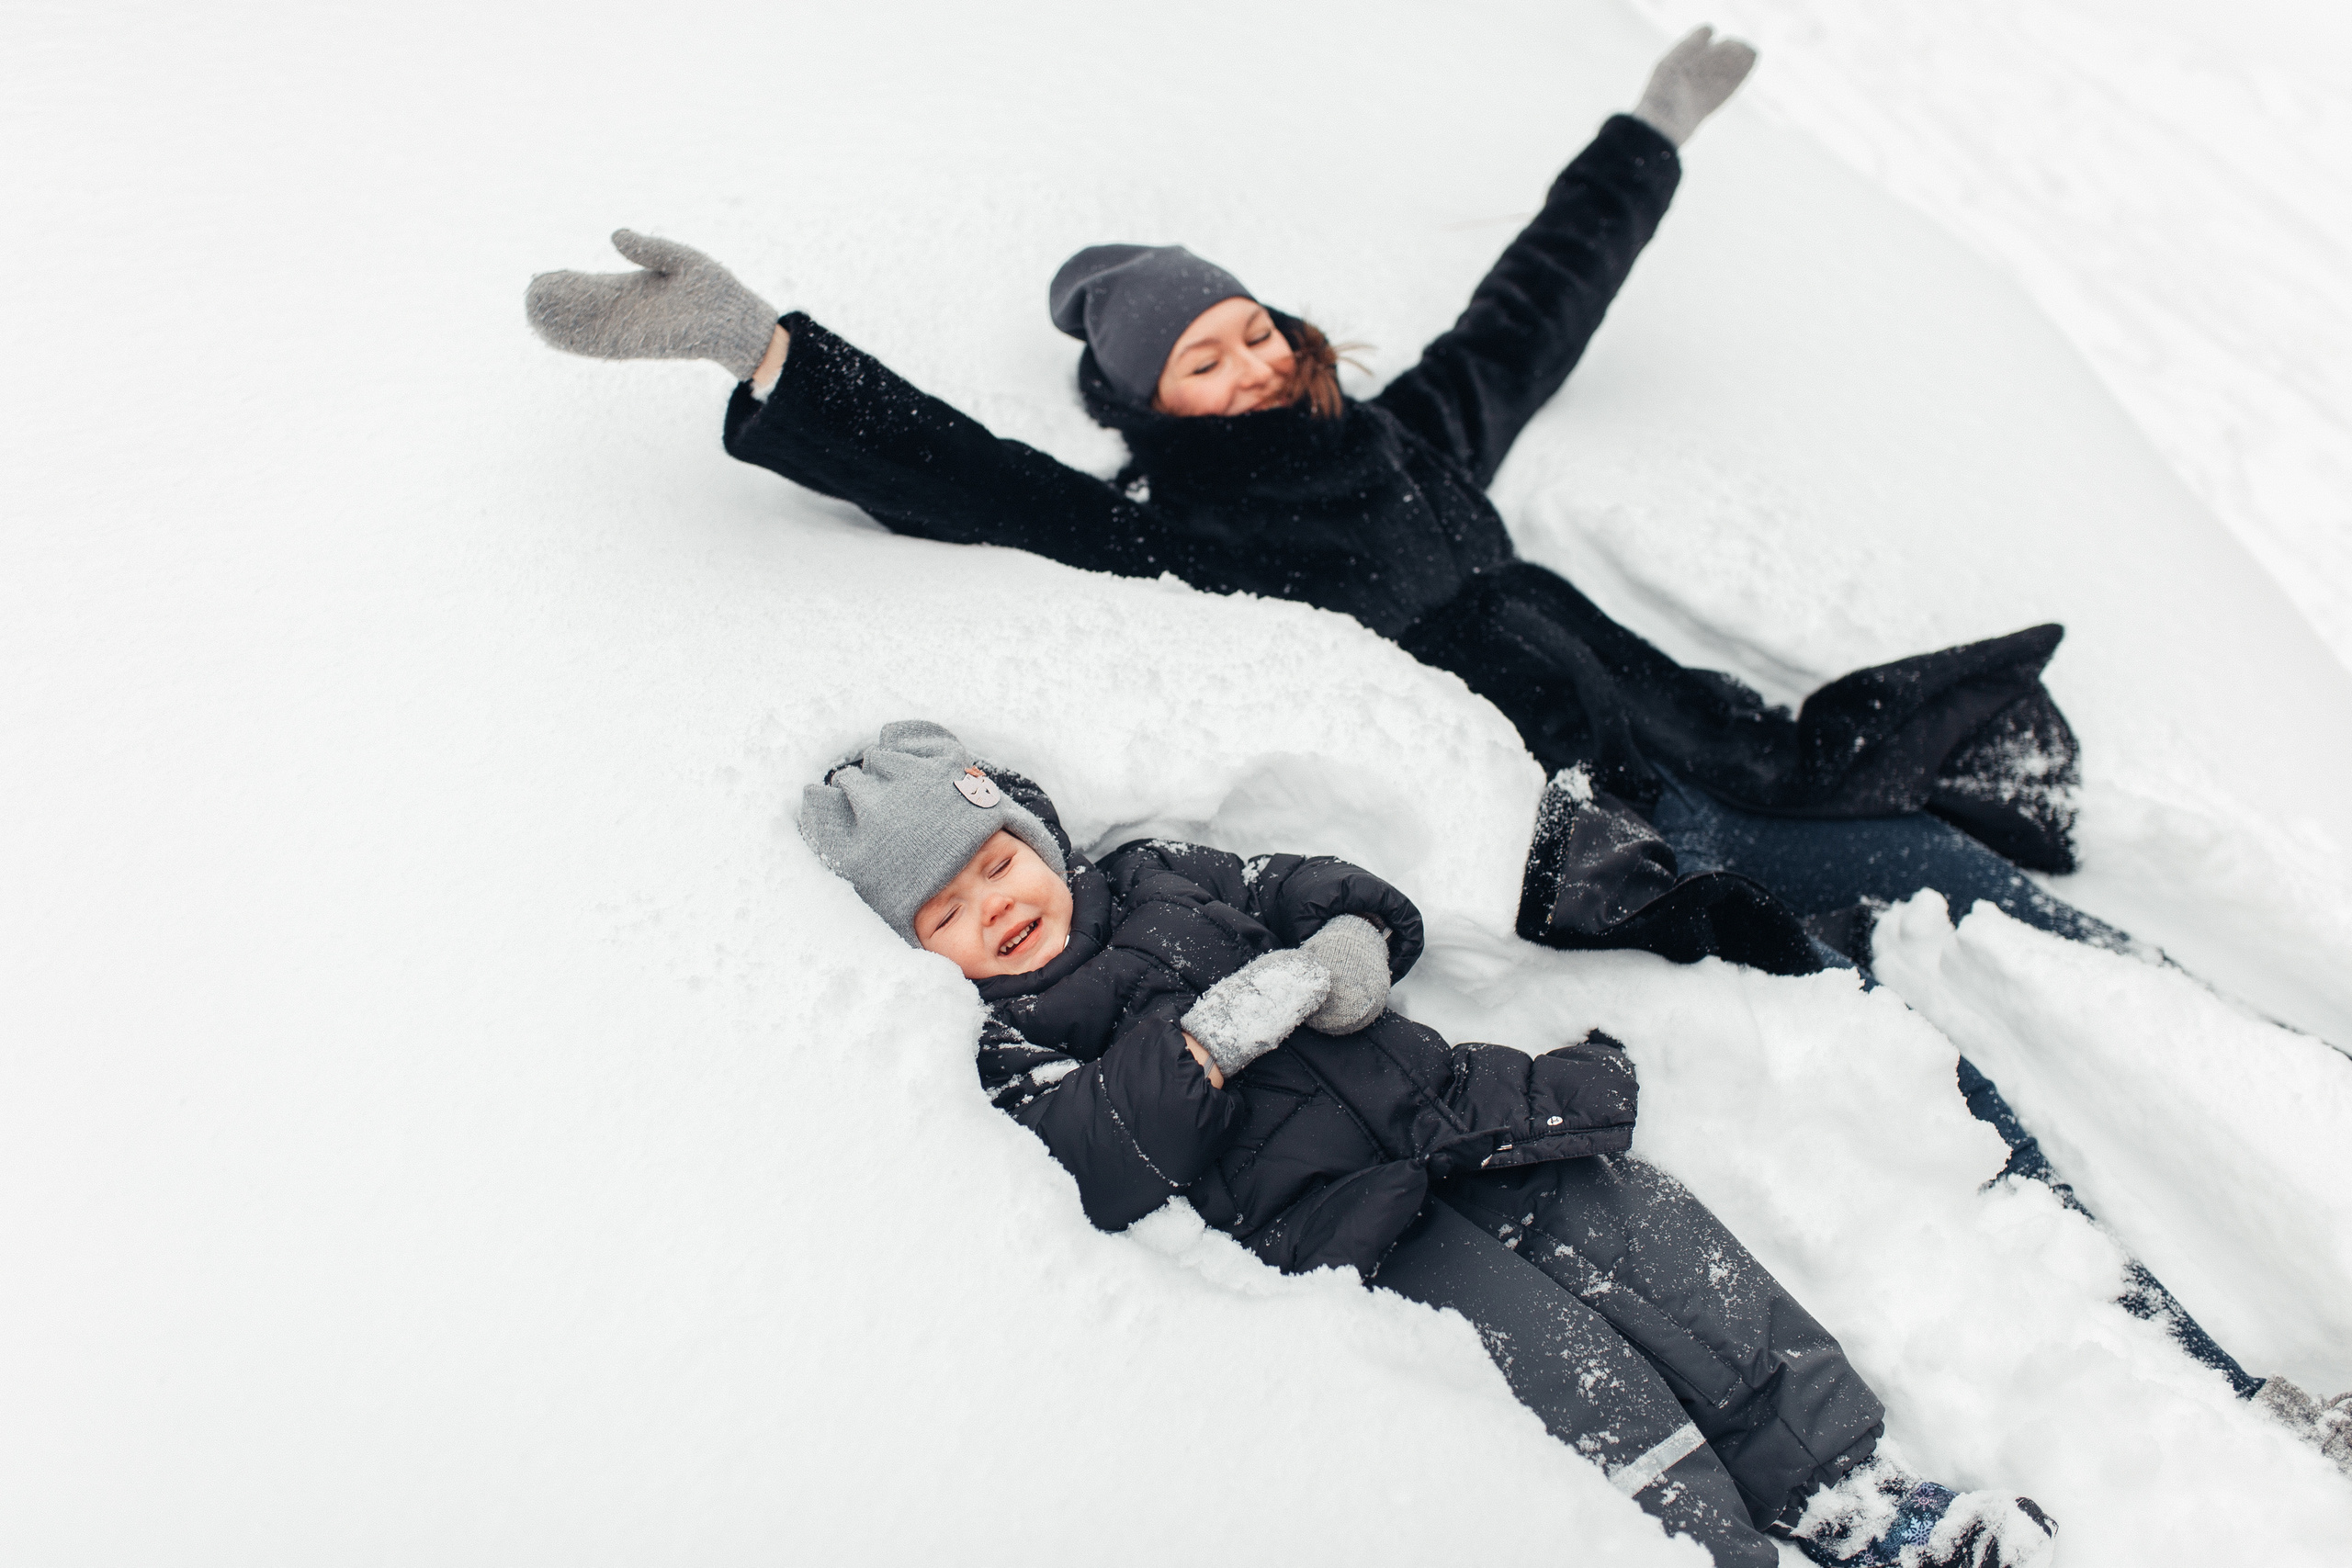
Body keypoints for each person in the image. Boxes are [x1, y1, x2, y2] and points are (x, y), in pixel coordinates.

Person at [523, 28, 2096, 980]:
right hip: (1578, 820)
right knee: (1834, 973)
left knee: (1943, 879)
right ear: (1150, 403)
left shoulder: (1407, 434)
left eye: (1251, 325)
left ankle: (2130, 1003)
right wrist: (761, 347)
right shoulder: (1170, 536)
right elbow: (957, 475)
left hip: (1676, 723)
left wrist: (1651, 132)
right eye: (1204, 359)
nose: (1251, 358)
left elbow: (1533, 305)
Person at [797, 717, 2060, 1568]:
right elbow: (1095, 1154)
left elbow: (1326, 890)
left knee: (1686, 1269)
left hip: (1472, 1118)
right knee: (1584, 1381)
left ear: (1037, 833)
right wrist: (1206, 1040)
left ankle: (1865, 1500)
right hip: (1367, 1231)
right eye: (946, 913)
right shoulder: (1018, 1042)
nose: (995, 909)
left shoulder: (1164, 873)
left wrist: (1349, 947)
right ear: (921, 954)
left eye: (996, 865)